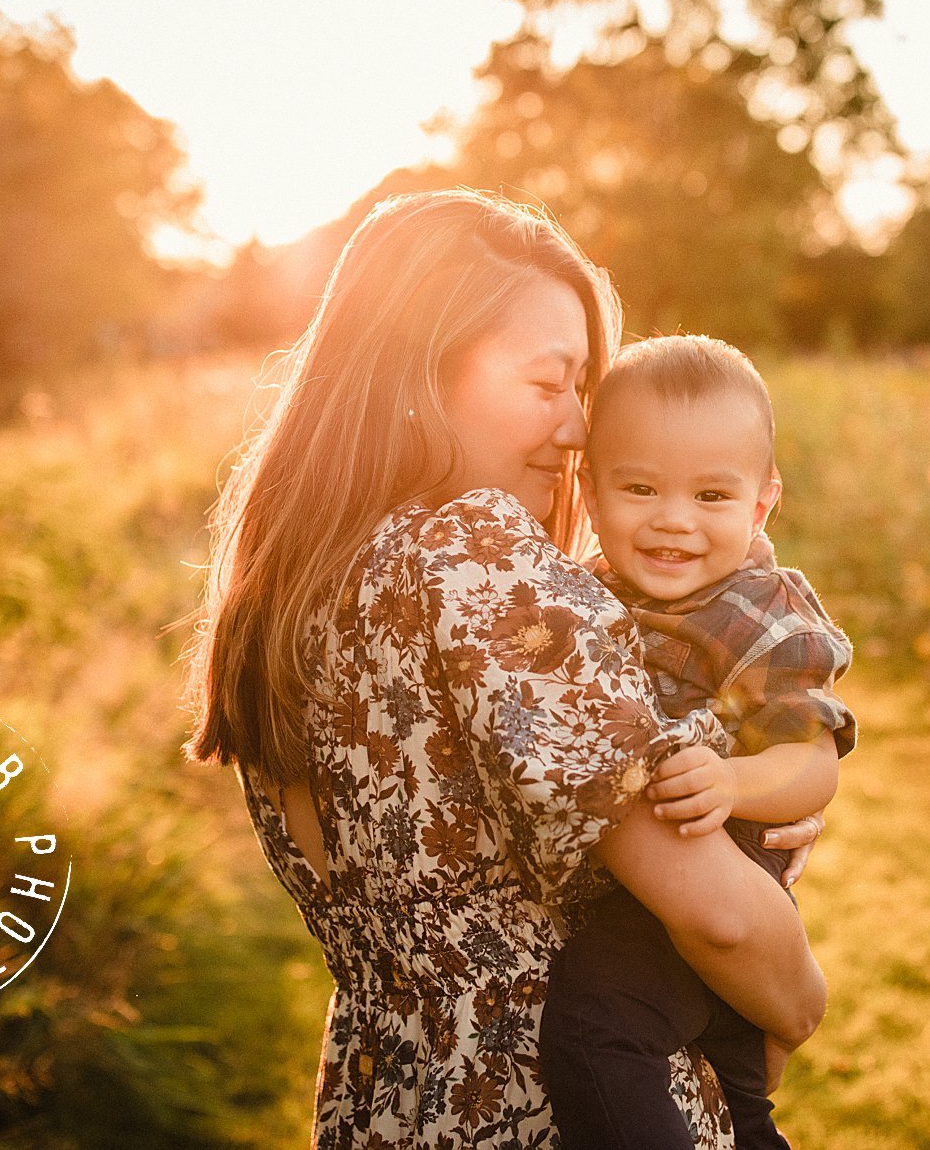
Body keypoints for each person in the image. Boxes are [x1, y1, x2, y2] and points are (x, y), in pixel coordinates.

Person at [183, 189, 828, 1149]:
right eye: (549, 384)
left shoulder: (288, 592)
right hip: (550, 1111)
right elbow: (723, 920)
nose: (578, 428)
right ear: (419, 372)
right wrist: (801, 1001)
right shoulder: (478, 559)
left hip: (384, 1106)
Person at [539, 335, 855, 1150]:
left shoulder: (757, 615)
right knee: (742, 1112)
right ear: (590, 490)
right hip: (644, 891)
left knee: (592, 1031)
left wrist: (734, 784)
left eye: (712, 496)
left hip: (708, 884)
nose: (673, 520)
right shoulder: (579, 593)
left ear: (761, 505)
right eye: (640, 487)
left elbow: (810, 761)